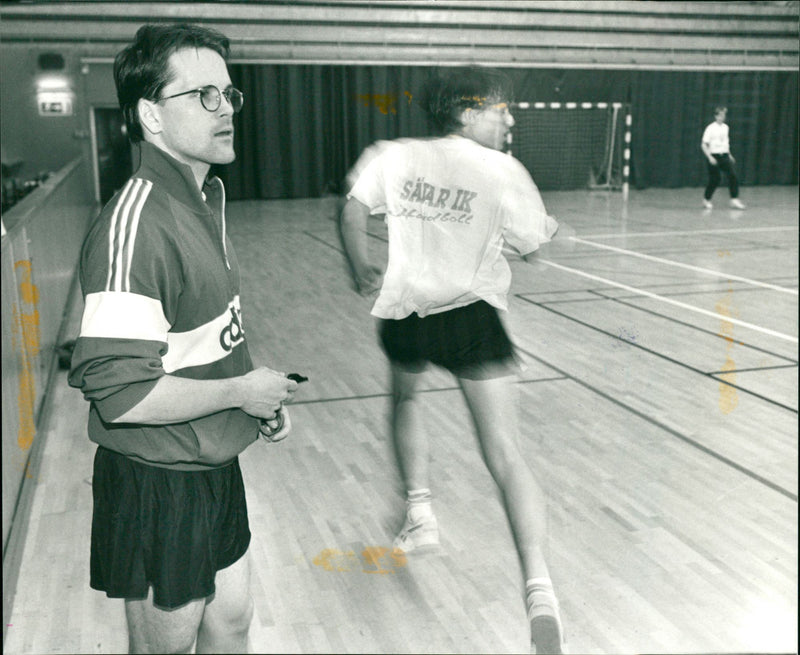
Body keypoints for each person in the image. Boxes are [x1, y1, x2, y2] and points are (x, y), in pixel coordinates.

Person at [68, 23, 299, 654]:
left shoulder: (203, 200)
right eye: (203, 96)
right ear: (151, 114)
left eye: (229, 94)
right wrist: (239, 394)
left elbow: (206, 343)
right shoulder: (138, 224)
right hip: (157, 485)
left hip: (213, 469)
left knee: (230, 627)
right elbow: (121, 397)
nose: (225, 109)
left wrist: (255, 399)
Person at [340, 67, 568, 654]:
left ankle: (420, 512)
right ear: (468, 113)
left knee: (404, 400)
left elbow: (353, 209)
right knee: (505, 452)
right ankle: (538, 585)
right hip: (471, 320)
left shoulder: (393, 153)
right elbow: (534, 247)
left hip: (407, 316)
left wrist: (359, 265)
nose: (509, 118)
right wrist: (540, 233)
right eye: (500, 109)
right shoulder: (502, 171)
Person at [701, 106, 746, 209]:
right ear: (716, 116)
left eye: (724, 115)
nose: (722, 117)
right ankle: (706, 199)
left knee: (732, 176)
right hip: (714, 156)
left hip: (724, 156)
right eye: (720, 115)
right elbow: (704, 145)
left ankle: (734, 199)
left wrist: (729, 154)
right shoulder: (710, 128)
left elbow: (725, 143)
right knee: (715, 179)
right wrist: (710, 157)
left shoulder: (726, 127)